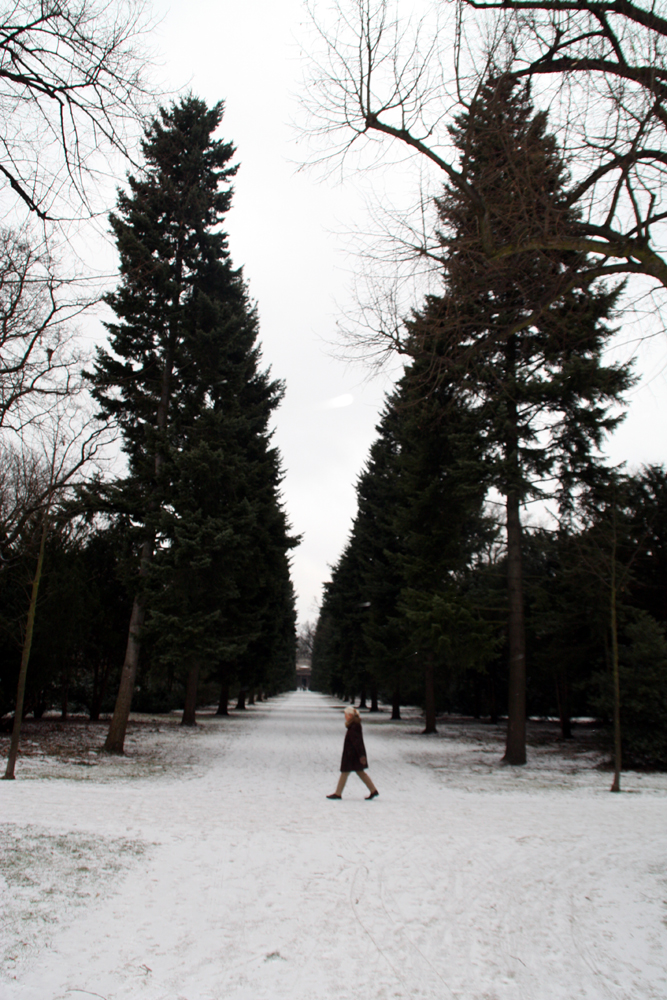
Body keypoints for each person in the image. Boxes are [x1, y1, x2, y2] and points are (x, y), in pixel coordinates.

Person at [327, 706, 379, 800]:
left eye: (346, 715)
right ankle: (373, 790)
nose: (345, 717)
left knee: (346, 773)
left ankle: (338, 794)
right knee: (359, 773)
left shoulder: (354, 726)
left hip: (352, 755)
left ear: (350, 715)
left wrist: (361, 755)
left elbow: (357, 742)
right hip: (353, 755)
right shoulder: (354, 725)